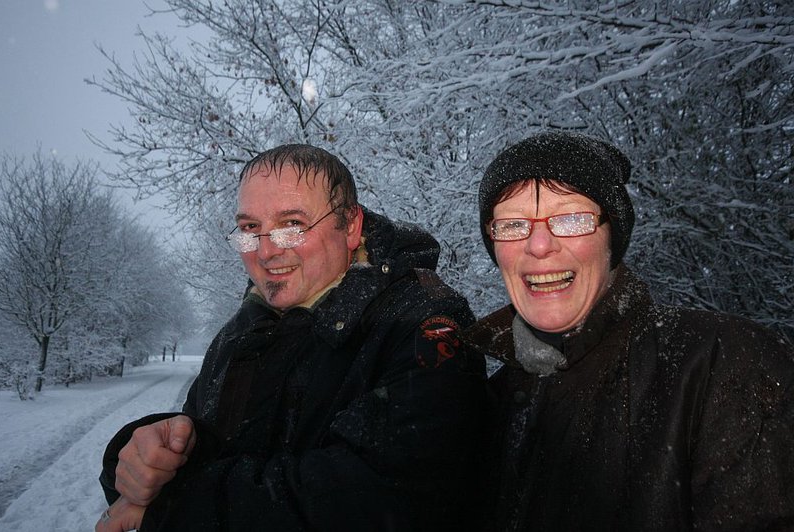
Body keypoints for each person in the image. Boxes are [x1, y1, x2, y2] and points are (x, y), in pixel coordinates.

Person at [96, 144, 487, 531]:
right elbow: (218, 441)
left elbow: (387, 497)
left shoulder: (421, 325)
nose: (265, 252)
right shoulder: (243, 329)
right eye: (251, 229)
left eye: (292, 225)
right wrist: (150, 453)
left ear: (350, 226)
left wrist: (179, 505)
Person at [462, 131, 794, 531]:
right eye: (513, 224)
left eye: (570, 219)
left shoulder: (721, 363)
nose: (539, 245)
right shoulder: (487, 406)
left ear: (612, 238)